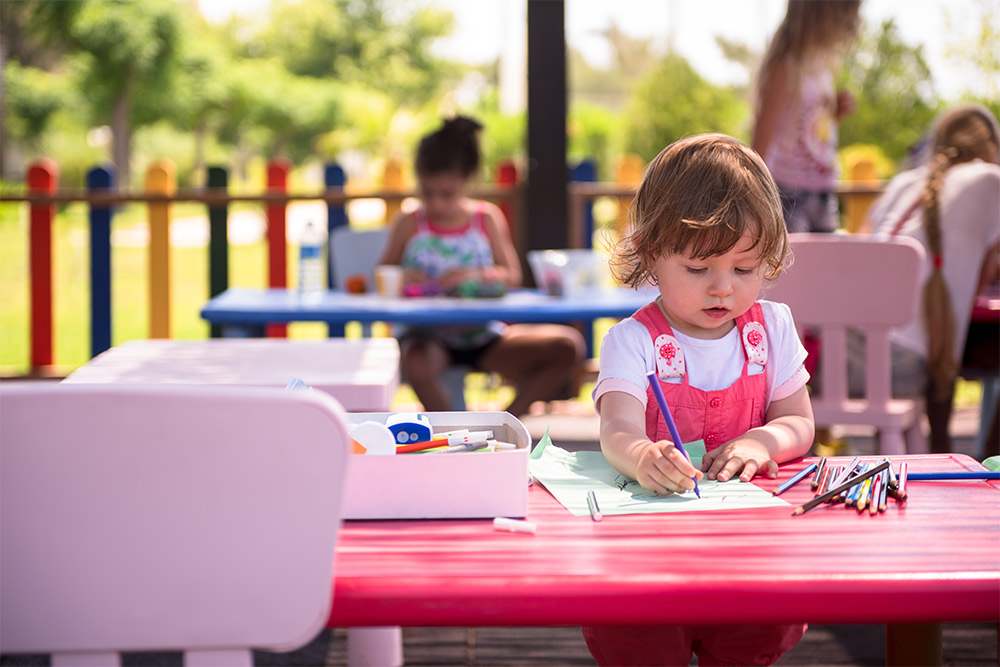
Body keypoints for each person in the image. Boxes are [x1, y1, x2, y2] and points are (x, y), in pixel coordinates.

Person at [583, 134, 814, 666]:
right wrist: (641, 454)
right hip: (649, 553)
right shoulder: (632, 340)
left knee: (745, 646)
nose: (722, 289)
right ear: (649, 255)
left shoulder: (770, 328)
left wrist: (762, 441)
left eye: (744, 269)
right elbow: (616, 427)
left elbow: (799, 422)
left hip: (749, 550)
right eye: (697, 269)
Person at [377, 115, 585, 417]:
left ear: (467, 180)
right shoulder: (409, 223)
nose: (436, 204)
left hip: (483, 336)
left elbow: (511, 276)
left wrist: (474, 275)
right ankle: (452, 431)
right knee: (416, 362)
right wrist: (406, 276)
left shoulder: (485, 219)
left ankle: (503, 422)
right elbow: (383, 274)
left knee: (568, 346)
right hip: (428, 338)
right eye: (427, 192)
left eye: (446, 193)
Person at [862, 104, 1000, 454]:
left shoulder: (903, 182)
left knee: (933, 331)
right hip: (901, 363)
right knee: (938, 333)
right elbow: (984, 279)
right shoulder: (989, 179)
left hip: (839, 356)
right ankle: (987, 463)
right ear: (990, 148)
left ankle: (941, 447)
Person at [752, 0, 861, 233]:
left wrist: (834, 114)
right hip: (789, 192)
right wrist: (752, 188)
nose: (852, 23)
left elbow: (808, 126)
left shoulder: (822, 66)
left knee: (826, 265)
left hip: (823, 189)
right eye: (845, 13)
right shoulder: (786, 65)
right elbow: (764, 129)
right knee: (794, 265)